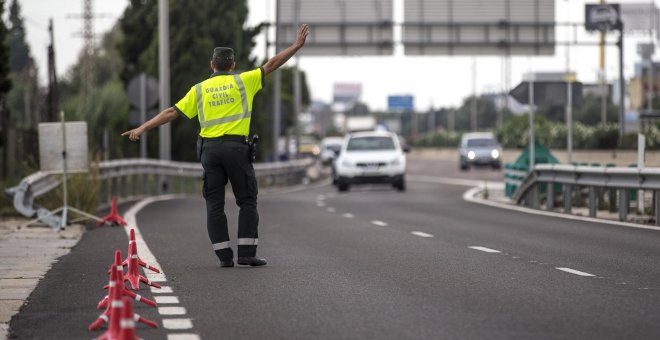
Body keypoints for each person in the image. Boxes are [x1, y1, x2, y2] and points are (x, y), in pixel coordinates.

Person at [122, 24, 310, 267]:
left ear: (212, 65)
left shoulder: (199, 90)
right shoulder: (244, 81)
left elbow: (171, 112)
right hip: (236, 150)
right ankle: (246, 253)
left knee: (214, 204)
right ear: (232, 65)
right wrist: (296, 46)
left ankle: (224, 257)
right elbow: (272, 64)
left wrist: (142, 128)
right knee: (247, 201)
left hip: (210, 152)